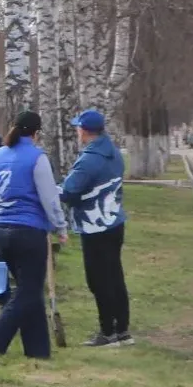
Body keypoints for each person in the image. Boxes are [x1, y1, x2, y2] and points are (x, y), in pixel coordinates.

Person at [0, 110, 68, 358]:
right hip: (28, 231)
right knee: (28, 291)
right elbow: (49, 198)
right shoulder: (37, 158)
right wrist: (60, 226)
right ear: (36, 133)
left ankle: (37, 350)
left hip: (2, 231)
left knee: (30, 289)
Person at [62, 108, 131, 347]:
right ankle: (122, 329)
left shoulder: (89, 159)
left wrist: (50, 190)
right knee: (115, 276)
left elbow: (69, 191)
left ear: (84, 131)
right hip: (114, 221)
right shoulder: (113, 153)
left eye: (78, 128)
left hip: (95, 226)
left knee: (98, 280)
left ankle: (107, 332)